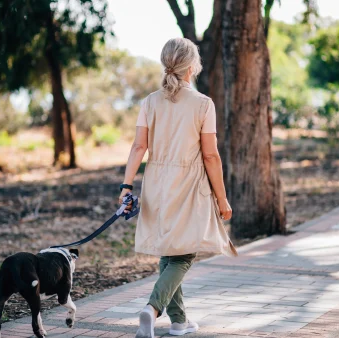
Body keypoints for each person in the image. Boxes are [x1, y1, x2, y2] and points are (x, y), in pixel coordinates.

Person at [118, 37, 238, 338]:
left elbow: (138, 147)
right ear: (192, 66)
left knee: (170, 250)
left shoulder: (149, 102)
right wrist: (222, 199)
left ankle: (179, 322)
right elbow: (210, 155)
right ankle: (152, 309)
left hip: (157, 183)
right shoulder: (203, 104)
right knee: (183, 254)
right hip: (189, 184)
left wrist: (126, 185)